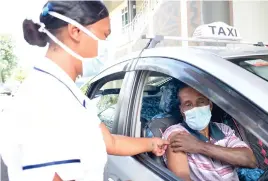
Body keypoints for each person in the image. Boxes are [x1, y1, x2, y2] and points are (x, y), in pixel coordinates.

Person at [0, 1, 169, 181]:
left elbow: (110, 142)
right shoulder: (43, 98)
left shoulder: (66, 93)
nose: (106, 45)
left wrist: (152, 143)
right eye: (104, 35)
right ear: (76, 31)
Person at [162, 85, 257, 181]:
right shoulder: (176, 133)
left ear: (210, 105)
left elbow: (250, 160)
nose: (195, 108)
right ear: (181, 110)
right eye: (188, 104)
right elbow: (181, 178)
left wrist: (199, 146)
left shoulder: (223, 129)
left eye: (201, 101)